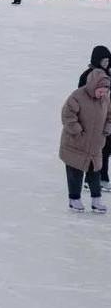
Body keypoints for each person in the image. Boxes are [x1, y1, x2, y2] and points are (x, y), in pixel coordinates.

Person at [59, 69, 111, 212]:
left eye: (105, 91)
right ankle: (74, 200)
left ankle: (96, 201)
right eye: (100, 91)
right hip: (75, 143)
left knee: (95, 172)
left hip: (95, 144)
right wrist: (77, 131)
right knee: (75, 173)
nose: (103, 94)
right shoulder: (77, 96)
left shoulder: (106, 99)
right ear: (93, 86)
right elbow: (67, 115)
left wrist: (107, 130)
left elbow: (109, 116)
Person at [78, 46, 111, 192]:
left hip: (106, 118)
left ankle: (101, 178)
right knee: (96, 150)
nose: (106, 63)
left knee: (106, 148)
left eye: (108, 61)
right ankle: (93, 180)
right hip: (91, 119)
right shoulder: (87, 75)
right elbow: (81, 96)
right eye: (104, 60)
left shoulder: (107, 75)